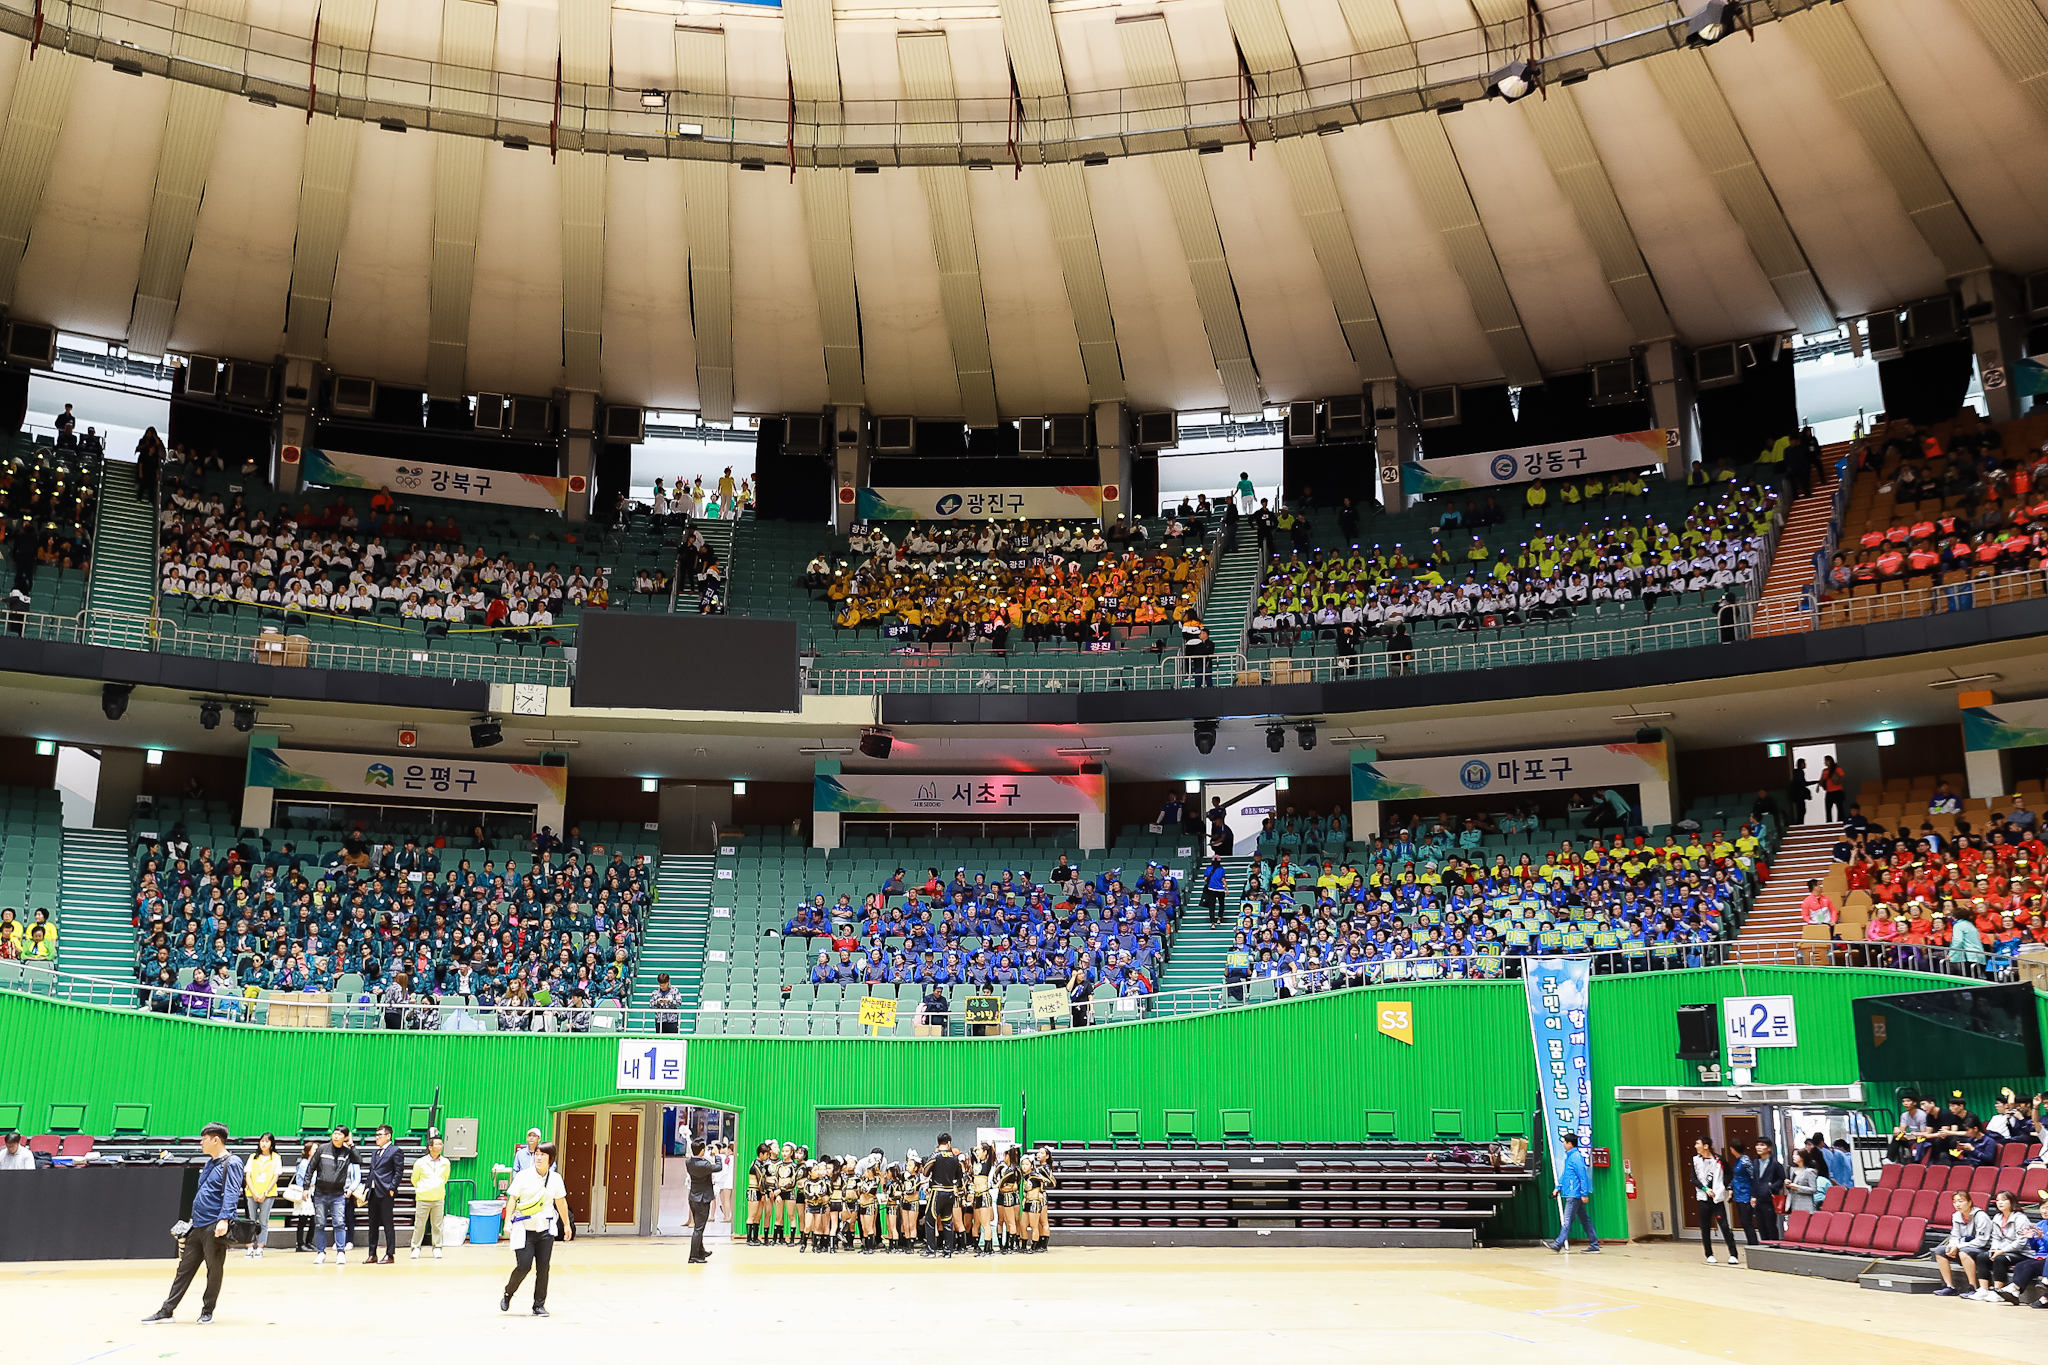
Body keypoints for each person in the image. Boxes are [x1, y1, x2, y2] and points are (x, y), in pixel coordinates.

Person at [143, 1122, 242, 1325]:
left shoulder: (231, 1162)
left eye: (204, 1138)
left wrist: (224, 1219)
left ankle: (207, 1311)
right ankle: (167, 1310)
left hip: (214, 1225)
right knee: (184, 1269)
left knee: (214, 1270)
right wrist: (193, 1218)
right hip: (197, 1225)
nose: (201, 1142)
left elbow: (231, 1192)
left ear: (216, 1139)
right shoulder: (209, 1164)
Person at [502, 1142, 573, 1316]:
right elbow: (512, 1198)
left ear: (551, 1158)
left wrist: (566, 1224)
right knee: (524, 1266)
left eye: (543, 1155)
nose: (539, 1158)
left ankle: (538, 1305)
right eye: (537, 1154)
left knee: (543, 1267)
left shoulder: (555, 1178)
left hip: (545, 1229)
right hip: (524, 1228)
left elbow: (561, 1202)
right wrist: (507, 1221)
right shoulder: (523, 1176)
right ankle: (508, 1292)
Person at [309, 1125, 357, 1264]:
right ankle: (321, 1252)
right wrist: (306, 1187)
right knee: (320, 1224)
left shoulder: (347, 1152)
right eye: (334, 1133)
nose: (336, 1136)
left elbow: (358, 1160)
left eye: (340, 1134)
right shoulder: (322, 1149)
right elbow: (311, 1168)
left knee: (339, 1223)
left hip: (338, 1195)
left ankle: (340, 1252)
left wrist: (351, 1145)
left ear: (345, 1137)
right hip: (320, 1193)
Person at [1933, 1189, 1993, 1296]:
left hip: (1984, 1249)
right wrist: (1952, 1245)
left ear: (1969, 1202)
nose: (1957, 1204)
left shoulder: (1981, 1216)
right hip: (1964, 1246)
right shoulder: (1956, 1216)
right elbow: (1955, 1236)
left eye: (1961, 1201)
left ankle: (1972, 1287)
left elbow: (1982, 1241)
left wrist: (1958, 1246)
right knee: (1941, 1250)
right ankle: (1949, 1287)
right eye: (1955, 1202)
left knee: (1964, 1252)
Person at [1546, 1130, 1599, 1253]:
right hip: (1573, 1193)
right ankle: (1594, 1245)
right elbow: (1566, 1175)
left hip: (1574, 1194)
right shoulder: (1571, 1157)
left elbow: (1582, 1176)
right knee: (1584, 1219)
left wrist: (1584, 1194)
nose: (1563, 1144)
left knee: (1567, 1220)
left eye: (1565, 1142)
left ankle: (1558, 1244)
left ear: (1570, 1144)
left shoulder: (1576, 1158)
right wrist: (1558, 1187)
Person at [1691, 1138, 1738, 1265]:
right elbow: (1693, 1179)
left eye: (1697, 1143)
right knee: (1705, 1227)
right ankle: (1709, 1254)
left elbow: (1730, 1173)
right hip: (1703, 1198)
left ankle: (1733, 1254)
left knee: (1724, 1226)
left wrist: (1722, 1186)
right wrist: (1705, 1189)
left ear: (1706, 1146)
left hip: (1717, 1199)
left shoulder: (1719, 1160)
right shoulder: (1695, 1160)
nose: (1695, 1146)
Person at [365, 1124, 403, 1263]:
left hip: (386, 1191)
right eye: (376, 1135)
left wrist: (392, 1187)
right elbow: (372, 1171)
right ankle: (372, 1253)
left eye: (380, 1135)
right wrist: (367, 1187)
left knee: (388, 1224)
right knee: (372, 1224)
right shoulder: (375, 1152)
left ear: (388, 1136)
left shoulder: (395, 1151)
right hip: (373, 1191)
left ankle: (390, 1254)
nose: (377, 1138)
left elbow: (398, 1171)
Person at [923, 1134, 965, 1258]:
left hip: (937, 1191)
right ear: (949, 1143)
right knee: (947, 1221)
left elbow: (925, 1172)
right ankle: (948, 1252)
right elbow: (959, 1177)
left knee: (930, 1220)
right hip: (950, 1192)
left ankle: (931, 1250)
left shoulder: (935, 1156)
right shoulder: (954, 1157)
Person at [410, 1135, 450, 1259]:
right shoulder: (420, 1162)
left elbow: (445, 1178)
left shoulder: (446, 1162)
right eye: (437, 1144)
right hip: (423, 1198)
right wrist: (422, 1189)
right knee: (419, 1224)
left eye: (441, 1144)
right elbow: (414, 1179)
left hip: (438, 1197)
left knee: (437, 1225)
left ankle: (437, 1247)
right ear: (430, 1147)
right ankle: (416, 1247)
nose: (440, 1146)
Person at [243, 1132, 280, 1260]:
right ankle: (249, 1247)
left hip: (268, 1194)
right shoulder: (253, 1157)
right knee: (250, 1221)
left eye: (267, 1141)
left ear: (271, 1143)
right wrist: (254, 1192)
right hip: (251, 1193)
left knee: (263, 1221)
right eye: (262, 1141)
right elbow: (247, 1175)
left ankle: (260, 1247)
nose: (264, 1143)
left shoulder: (276, 1158)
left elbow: (275, 1176)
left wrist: (264, 1193)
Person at [1742, 1140, 1785, 1242]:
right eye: (1757, 1145)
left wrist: (1771, 1188)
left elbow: (1781, 1179)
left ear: (1769, 1148)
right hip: (1758, 1198)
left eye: (1762, 1145)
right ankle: (1764, 1246)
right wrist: (1753, 1195)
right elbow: (1754, 1180)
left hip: (1769, 1199)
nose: (1758, 1147)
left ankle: (1774, 1247)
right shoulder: (1755, 1162)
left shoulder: (1775, 1163)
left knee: (1770, 1225)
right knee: (1761, 1225)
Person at [686, 1139, 720, 1264]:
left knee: (698, 1227)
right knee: (698, 1229)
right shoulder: (703, 1164)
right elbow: (718, 1167)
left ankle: (700, 1251)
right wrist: (717, 1155)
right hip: (702, 1199)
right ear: (702, 1151)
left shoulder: (688, 1162)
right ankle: (694, 1256)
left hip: (693, 1197)